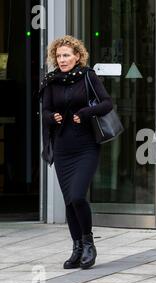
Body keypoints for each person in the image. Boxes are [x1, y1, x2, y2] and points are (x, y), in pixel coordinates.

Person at [40, 35, 113, 269]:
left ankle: (89, 243)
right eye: (59, 56)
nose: (62, 60)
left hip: (86, 146)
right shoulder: (51, 81)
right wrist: (53, 117)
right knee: (69, 201)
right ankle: (77, 247)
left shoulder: (88, 76)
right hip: (63, 148)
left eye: (66, 55)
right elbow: (45, 110)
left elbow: (106, 103)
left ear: (77, 57)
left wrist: (84, 112)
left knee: (78, 196)